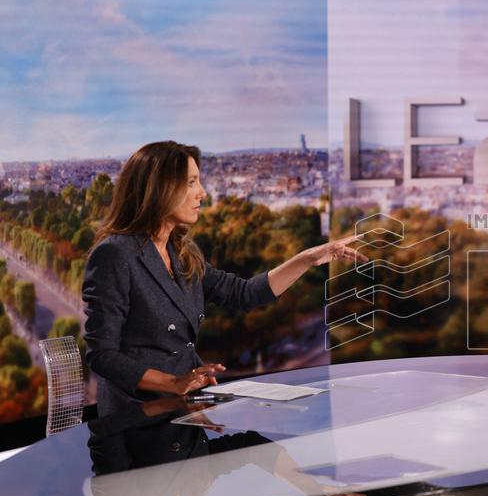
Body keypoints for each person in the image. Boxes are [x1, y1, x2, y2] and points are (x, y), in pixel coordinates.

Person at [83, 141, 367, 416]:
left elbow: (244, 294)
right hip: (137, 421)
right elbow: (102, 355)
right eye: (191, 182)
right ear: (160, 189)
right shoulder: (114, 255)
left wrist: (310, 258)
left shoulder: (183, 252)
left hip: (184, 411)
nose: (202, 193)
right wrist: (173, 383)